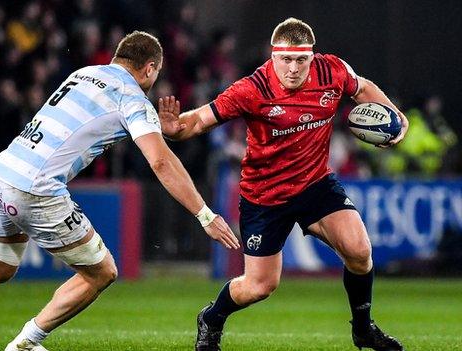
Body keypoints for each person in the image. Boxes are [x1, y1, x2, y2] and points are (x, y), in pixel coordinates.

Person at [0, 30, 240, 351]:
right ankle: (26, 342)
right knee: (102, 272)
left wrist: (160, 126)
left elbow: (96, 119)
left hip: (4, 173)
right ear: (150, 68)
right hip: (37, 190)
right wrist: (205, 214)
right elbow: (160, 161)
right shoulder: (132, 97)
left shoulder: (84, 73)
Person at [158, 18, 408, 351]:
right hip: (265, 196)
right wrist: (177, 128)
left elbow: (362, 88)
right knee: (259, 286)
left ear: (312, 57)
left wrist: (395, 115)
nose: (293, 68)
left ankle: (363, 329)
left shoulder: (332, 71)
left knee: (360, 252)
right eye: (285, 59)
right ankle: (212, 318)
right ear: (273, 56)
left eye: (301, 60)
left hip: (315, 184)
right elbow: (201, 119)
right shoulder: (252, 89)